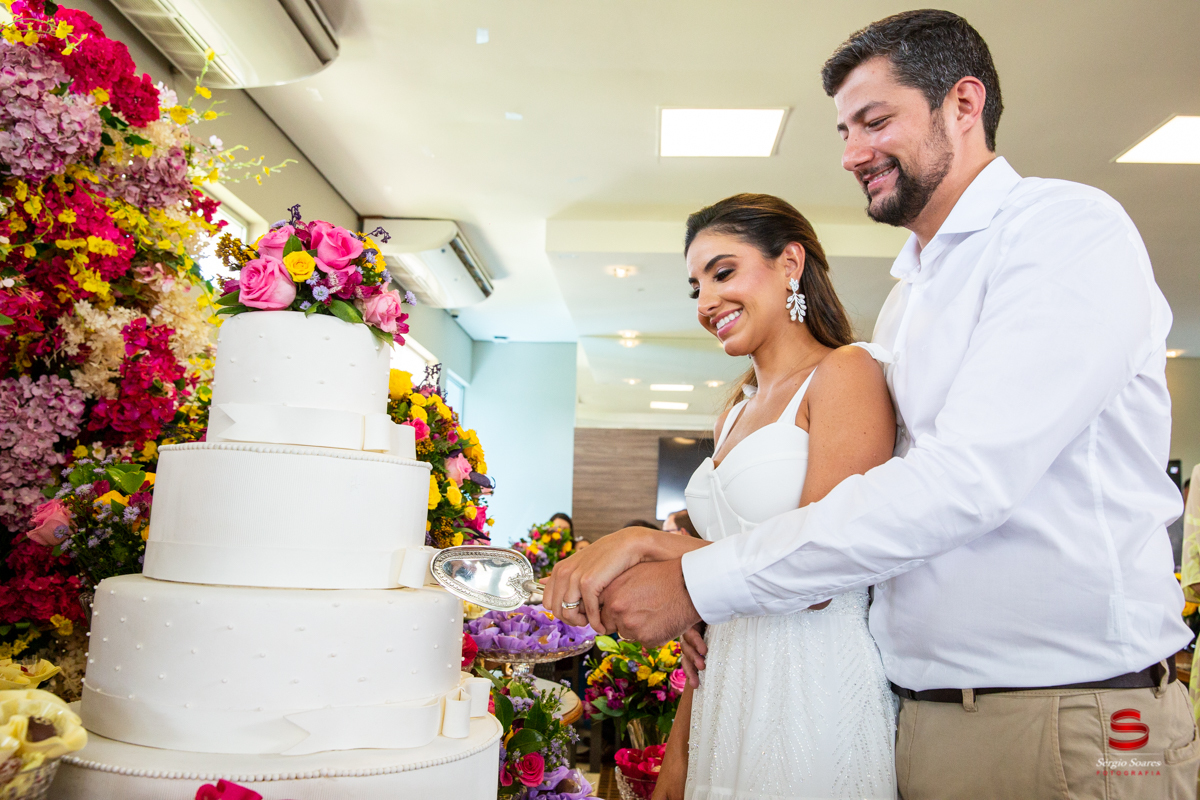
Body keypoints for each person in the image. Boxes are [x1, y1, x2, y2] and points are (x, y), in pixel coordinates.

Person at [545, 10, 1199, 800]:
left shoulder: (1062, 231)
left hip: (1062, 710)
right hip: (917, 709)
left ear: (964, 104)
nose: (852, 154)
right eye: (845, 130)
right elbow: (876, 527)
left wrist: (698, 581)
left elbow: (965, 481)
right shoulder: (908, 300)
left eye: (875, 121)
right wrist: (708, 597)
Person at [575, 193, 902, 798]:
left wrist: (649, 544)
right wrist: (679, 752)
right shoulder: (733, 412)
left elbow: (820, 570)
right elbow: (721, 589)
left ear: (790, 263)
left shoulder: (847, 371)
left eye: (722, 273)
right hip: (725, 687)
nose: (705, 302)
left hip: (811, 682)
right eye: (696, 287)